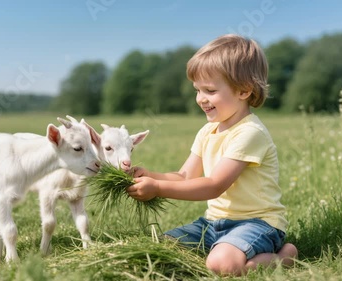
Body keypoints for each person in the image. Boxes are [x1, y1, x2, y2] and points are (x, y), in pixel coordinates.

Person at [126, 34, 298, 276]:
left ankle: (283, 257)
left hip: (257, 223)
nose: (201, 99)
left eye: (210, 90)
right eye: (197, 90)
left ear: (244, 90)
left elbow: (214, 185)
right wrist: (149, 176)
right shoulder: (208, 131)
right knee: (160, 246)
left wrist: (157, 188)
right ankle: (234, 253)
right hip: (213, 223)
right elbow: (185, 176)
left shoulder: (250, 133)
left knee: (221, 265)